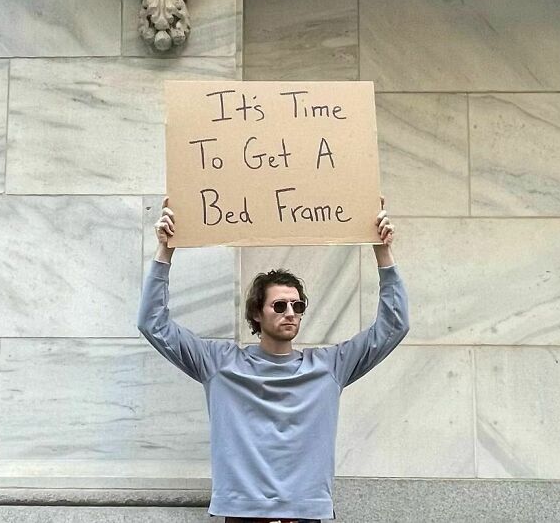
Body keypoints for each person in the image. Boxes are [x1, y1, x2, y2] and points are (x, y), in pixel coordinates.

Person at [138, 196, 409, 523]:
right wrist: (166, 249)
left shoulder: (328, 367)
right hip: (243, 513)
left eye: (297, 306)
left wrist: (382, 250)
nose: (291, 313)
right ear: (256, 312)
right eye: (279, 306)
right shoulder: (220, 364)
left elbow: (394, 326)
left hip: (306, 513)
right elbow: (153, 322)